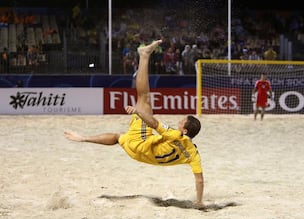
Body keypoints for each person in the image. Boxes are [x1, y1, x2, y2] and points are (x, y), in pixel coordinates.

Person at [64, 40, 205, 209]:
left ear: (185, 129)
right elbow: (199, 179)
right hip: (138, 155)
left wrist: (138, 112)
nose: (180, 120)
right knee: (118, 137)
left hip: (141, 144)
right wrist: (199, 201)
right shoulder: (194, 154)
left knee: (143, 97)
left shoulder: (176, 135)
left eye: (183, 120)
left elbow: (153, 123)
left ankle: (144, 55)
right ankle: (84, 138)